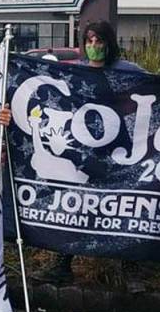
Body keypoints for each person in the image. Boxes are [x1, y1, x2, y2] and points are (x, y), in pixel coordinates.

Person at [37, 19, 145, 286]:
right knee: (75, 206)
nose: (94, 45)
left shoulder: (128, 71)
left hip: (118, 151)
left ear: (110, 43)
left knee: (122, 208)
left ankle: (130, 271)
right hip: (84, 152)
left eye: (99, 40)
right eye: (90, 40)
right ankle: (62, 264)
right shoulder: (77, 71)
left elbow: (157, 91)